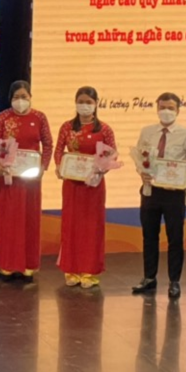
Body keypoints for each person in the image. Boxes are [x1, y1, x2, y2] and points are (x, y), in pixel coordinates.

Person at [131, 93, 186, 299]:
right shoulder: (147, 132)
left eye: (170, 108)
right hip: (150, 190)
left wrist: (183, 174)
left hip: (174, 193)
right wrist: (141, 171)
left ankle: (174, 281)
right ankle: (149, 277)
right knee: (149, 236)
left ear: (178, 110)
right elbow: (139, 157)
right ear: (157, 108)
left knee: (175, 237)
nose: (166, 111)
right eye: (162, 107)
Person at [54, 87, 117, 289]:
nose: (84, 105)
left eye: (89, 102)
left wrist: (100, 171)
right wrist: (59, 166)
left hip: (93, 187)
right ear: (75, 103)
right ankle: (71, 270)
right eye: (81, 101)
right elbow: (58, 150)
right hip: (72, 185)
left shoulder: (104, 129)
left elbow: (112, 155)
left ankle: (90, 271)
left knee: (92, 227)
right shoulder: (67, 127)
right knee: (71, 225)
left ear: (96, 104)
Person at [0, 80, 53, 279]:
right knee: (9, 220)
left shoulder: (39, 117)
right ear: (10, 99)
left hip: (30, 179)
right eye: (16, 97)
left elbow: (48, 144)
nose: (20, 101)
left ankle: (28, 264)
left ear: (30, 97)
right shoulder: (3, 117)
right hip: (9, 178)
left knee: (29, 219)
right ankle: (7, 264)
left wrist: (43, 167)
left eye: (24, 97)